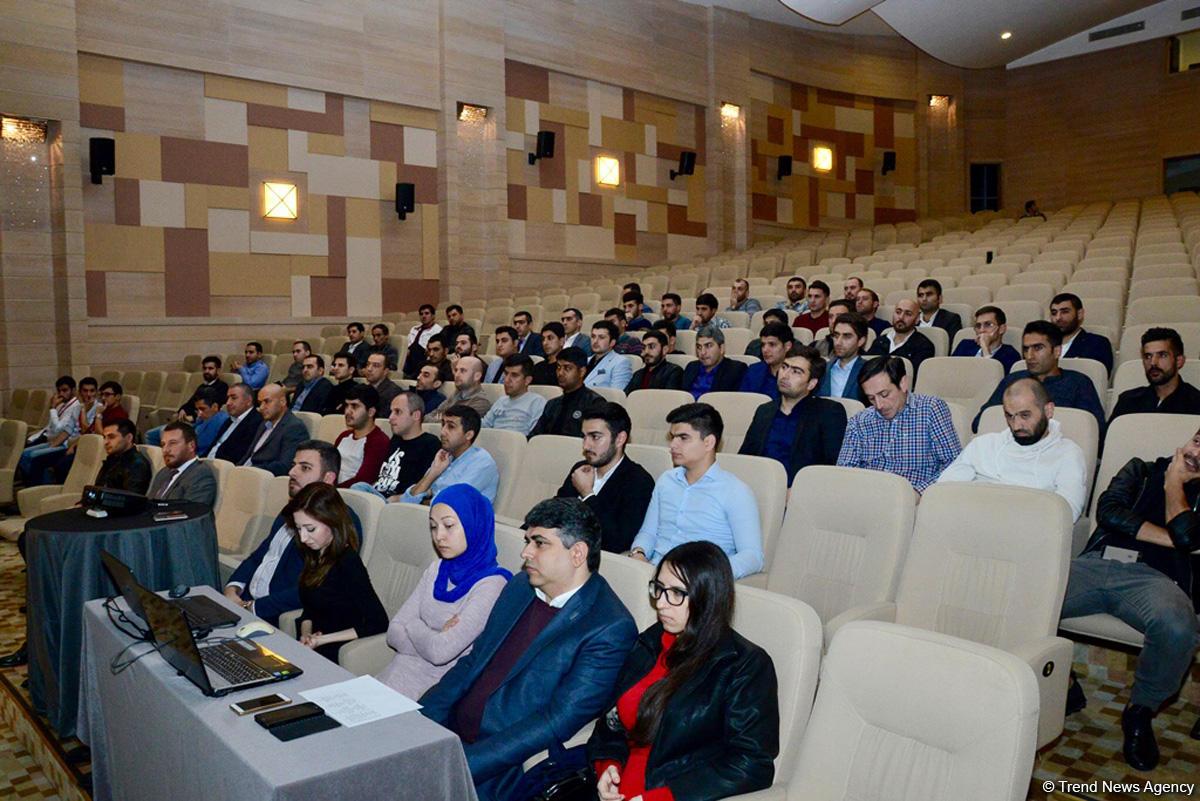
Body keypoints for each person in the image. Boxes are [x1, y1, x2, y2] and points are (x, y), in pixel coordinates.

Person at [419, 498, 637, 801]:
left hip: (500, 767)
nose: (525, 553)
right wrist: (418, 722)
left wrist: (463, 764)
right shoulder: (520, 586)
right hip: (449, 735)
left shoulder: (608, 627)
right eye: (527, 541)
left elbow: (555, 721)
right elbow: (473, 662)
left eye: (540, 543)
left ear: (577, 554)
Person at [589, 542, 779, 801]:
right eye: (659, 588)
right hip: (620, 788)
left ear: (707, 598)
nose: (661, 604)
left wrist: (662, 798)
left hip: (678, 793)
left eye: (676, 593)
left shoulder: (743, 665)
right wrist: (608, 765)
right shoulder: (651, 641)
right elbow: (612, 722)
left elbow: (752, 763)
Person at [1060, 428, 1200, 771]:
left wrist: (1174, 485)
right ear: (1185, 441)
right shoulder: (1140, 469)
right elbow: (1108, 511)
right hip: (1097, 563)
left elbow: (1188, 533)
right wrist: (1174, 539)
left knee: (1179, 629)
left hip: (1156, 580)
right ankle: (1063, 683)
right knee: (1021, 592)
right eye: (1197, 441)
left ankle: (1139, 711)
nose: (1197, 452)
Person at [376, 484, 511, 699]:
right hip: (390, 680)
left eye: (449, 526)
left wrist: (413, 625)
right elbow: (394, 632)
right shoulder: (437, 568)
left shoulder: (492, 585)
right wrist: (432, 637)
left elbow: (440, 653)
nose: (439, 536)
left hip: (431, 695)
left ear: (473, 525)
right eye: (433, 526)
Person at [225, 441, 362, 624]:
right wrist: (233, 588)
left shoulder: (340, 521)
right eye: (293, 465)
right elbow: (259, 556)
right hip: (244, 604)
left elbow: (319, 585)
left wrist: (252, 608)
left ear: (328, 478)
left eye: (305, 468)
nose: (292, 473)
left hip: (275, 618)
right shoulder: (291, 510)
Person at [631, 403, 763, 578]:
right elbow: (648, 532)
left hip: (696, 583)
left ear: (708, 442)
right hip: (653, 573)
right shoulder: (666, 481)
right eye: (672, 437)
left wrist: (706, 574)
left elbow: (753, 556)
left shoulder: (736, 491)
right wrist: (638, 553)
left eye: (683, 438)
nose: (673, 446)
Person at [937, 378, 1088, 520]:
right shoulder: (983, 445)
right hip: (970, 524)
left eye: (1025, 415)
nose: (1016, 425)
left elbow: (1067, 513)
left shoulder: (1068, 454)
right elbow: (943, 491)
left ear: (1048, 411)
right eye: (1009, 416)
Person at [291, 482, 389, 662]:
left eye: (310, 529)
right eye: (299, 529)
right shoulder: (315, 554)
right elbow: (310, 610)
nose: (303, 538)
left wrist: (320, 640)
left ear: (332, 521)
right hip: (314, 648)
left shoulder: (348, 562)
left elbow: (378, 622)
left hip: (338, 653)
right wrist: (306, 635)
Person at [838, 357, 961, 495]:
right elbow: (845, 471)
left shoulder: (931, 409)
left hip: (915, 497)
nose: (879, 405)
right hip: (869, 496)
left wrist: (919, 492)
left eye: (884, 394)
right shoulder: (859, 421)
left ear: (903, 383)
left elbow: (954, 463)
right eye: (871, 398)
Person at [973, 320, 1106, 433]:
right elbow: (979, 422)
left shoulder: (1079, 383)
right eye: (1026, 349)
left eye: (1038, 348)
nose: (1029, 356)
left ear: (1057, 351)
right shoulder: (1012, 380)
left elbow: (1095, 432)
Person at [556, 403, 655, 553]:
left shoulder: (639, 481)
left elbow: (617, 541)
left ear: (620, 439)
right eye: (584, 437)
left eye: (595, 437)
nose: (586, 446)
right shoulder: (581, 468)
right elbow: (555, 511)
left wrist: (587, 494)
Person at [740, 347, 846, 486]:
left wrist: (798, 492)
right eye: (784, 367)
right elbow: (745, 458)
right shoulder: (765, 411)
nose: (785, 375)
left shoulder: (828, 413)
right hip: (759, 488)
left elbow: (832, 468)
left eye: (796, 371)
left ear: (811, 383)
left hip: (801, 495)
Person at [398, 405, 499, 504]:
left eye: (451, 427)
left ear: (468, 435)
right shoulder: (444, 457)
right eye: (443, 425)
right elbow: (406, 501)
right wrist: (433, 473)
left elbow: (452, 504)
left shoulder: (481, 462)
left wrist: (425, 499)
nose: (442, 432)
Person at [353, 392, 441, 502]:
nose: (390, 418)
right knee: (357, 489)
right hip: (378, 496)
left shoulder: (430, 444)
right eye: (391, 412)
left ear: (416, 415)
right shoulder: (396, 439)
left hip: (399, 503)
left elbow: (426, 487)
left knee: (359, 488)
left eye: (397, 412)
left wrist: (396, 499)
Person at [20, 377, 100, 486]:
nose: (88, 394)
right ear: (80, 392)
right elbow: (67, 431)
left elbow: (87, 431)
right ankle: (37, 489)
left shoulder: (97, 408)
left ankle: (45, 489)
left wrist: (84, 410)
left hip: (77, 445)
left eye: (92, 391)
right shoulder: (77, 407)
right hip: (64, 442)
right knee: (28, 455)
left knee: (36, 458)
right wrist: (51, 447)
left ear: (96, 392)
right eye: (85, 391)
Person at [1110, 327, 1200, 421]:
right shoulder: (1128, 401)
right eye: (1148, 356)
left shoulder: (1196, 404)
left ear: (1179, 361)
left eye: (1162, 355)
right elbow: (1110, 435)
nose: (1153, 362)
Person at [530, 348, 607, 438]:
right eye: (558, 367)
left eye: (567, 368)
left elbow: (594, 439)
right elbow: (535, 437)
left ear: (582, 371)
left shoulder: (594, 403)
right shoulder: (552, 404)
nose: (560, 373)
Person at [243, 383, 309, 476]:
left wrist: (250, 470)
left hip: (263, 478)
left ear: (282, 401)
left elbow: (285, 466)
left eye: (267, 401)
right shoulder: (264, 423)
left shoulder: (294, 428)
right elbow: (249, 456)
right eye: (260, 403)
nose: (261, 408)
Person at [147, 422, 218, 506]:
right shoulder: (163, 472)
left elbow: (191, 514)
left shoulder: (200, 475)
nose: (165, 450)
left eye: (173, 443)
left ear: (191, 446)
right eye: (163, 444)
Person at [334, 384, 390, 488]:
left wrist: (330, 489)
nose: (347, 411)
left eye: (354, 406)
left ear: (371, 412)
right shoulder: (343, 436)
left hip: (352, 496)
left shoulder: (379, 441)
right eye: (347, 405)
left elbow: (364, 480)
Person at [866, 297, 935, 379]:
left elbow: (912, 377)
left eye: (908, 314)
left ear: (917, 319)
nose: (901, 317)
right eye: (898, 312)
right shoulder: (880, 340)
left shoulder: (924, 346)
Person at [481, 355, 547, 435]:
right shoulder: (501, 401)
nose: (507, 380)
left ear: (527, 380)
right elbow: (483, 427)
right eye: (506, 374)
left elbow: (534, 436)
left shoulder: (537, 402)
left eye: (514, 375)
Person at [1050, 293, 1114, 375]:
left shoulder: (1097, 344)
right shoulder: (1044, 345)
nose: (1058, 318)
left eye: (1065, 312)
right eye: (1054, 313)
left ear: (1079, 314)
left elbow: (1098, 378)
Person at [682, 325, 747, 400]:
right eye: (699, 347)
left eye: (708, 346)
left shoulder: (735, 370)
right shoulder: (691, 367)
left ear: (722, 348)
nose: (702, 352)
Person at [951, 305, 1020, 374]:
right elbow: (950, 370)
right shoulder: (965, 345)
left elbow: (994, 379)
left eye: (988, 324)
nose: (982, 330)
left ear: (1002, 329)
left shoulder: (1011, 354)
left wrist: (985, 348)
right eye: (978, 326)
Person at [206, 383, 263, 462]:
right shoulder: (229, 421)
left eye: (233, 398)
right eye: (228, 398)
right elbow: (213, 446)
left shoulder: (256, 422)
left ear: (248, 401)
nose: (228, 403)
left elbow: (238, 456)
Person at [817, 313, 867, 400]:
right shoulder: (821, 370)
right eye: (836, 336)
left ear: (861, 341)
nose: (838, 342)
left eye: (847, 337)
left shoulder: (869, 371)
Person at [95, 418, 152, 494]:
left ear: (129, 438)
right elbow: (97, 487)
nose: (106, 442)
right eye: (104, 437)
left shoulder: (137, 464)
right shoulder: (112, 458)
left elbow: (130, 500)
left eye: (111, 437)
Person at [738, 322, 793, 400]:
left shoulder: (795, 373)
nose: (765, 350)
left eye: (772, 344)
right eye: (763, 345)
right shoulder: (754, 370)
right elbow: (743, 400)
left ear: (787, 346)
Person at [432, 355, 493, 421]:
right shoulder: (456, 393)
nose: (456, 375)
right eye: (456, 370)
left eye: (463, 371)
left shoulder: (481, 403)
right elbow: (430, 415)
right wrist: (440, 419)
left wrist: (440, 418)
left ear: (477, 376)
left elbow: (456, 425)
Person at [584, 320, 634, 389]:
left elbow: (617, 395)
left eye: (601, 337)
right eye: (593, 336)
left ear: (612, 342)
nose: (595, 341)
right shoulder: (585, 360)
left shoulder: (621, 362)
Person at [178, 355, 227, 422]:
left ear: (218, 370)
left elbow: (213, 410)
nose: (207, 371)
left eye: (210, 368)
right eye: (204, 368)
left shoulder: (222, 387)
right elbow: (190, 403)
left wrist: (193, 417)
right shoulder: (202, 386)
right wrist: (183, 410)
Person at [405, 304, 443, 377]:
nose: (423, 316)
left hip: (425, 356)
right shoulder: (414, 329)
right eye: (421, 314)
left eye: (427, 313)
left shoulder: (438, 330)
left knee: (416, 347)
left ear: (433, 316)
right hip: (410, 356)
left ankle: (412, 375)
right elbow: (408, 343)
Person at [190, 385, 230, 455]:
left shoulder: (222, 421)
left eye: (202, 409)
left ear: (215, 406)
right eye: (197, 410)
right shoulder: (203, 419)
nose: (199, 414)